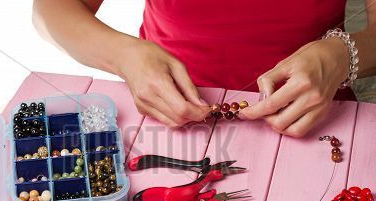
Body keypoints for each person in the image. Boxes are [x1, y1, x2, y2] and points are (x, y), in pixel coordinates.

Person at [32, 0, 376, 137]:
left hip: (313, 114)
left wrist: (343, 54)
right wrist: (123, 55)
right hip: (162, 114)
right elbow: (50, 11)